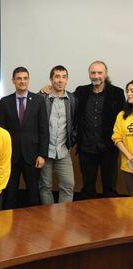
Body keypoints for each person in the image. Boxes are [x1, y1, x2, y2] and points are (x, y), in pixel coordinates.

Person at [0, 67, 48, 209]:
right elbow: (1, 132)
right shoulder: (4, 102)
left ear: (28, 80)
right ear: (13, 80)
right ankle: (8, 224)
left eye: (25, 78)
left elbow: (43, 129)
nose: (22, 81)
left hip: (32, 154)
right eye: (19, 78)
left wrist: (42, 154)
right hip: (10, 155)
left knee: (33, 191)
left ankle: (35, 222)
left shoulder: (38, 101)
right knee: (10, 191)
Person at [75, 61, 125, 199]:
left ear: (106, 74)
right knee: (87, 189)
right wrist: (46, 89)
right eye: (93, 72)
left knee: (110, 189)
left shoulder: (117, 93)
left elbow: (124, 118)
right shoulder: (81, 91)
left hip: (109, 149)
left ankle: (110, 220)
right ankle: (88, 219)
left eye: (99, 72)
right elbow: (65, 100)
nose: (96, 76)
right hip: (86, 149)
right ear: (89, 74)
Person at [38, 65, 77, 204]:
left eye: (64, 77)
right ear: (51, 79)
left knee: (68, 185)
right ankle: (48, 220)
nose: (60, 80)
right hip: (45, 151)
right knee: (45, 186)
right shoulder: (42, 97)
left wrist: (72, 141)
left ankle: (63, 219)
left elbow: (75, 123)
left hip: (63, 150)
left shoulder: (72, 99)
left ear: (67, 80)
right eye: (57, 76)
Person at [112, 80, 133, 196]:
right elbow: (117, 138)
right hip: (128, 165)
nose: (129, 94)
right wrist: (129, 156)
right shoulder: (122, 115)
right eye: (128, 91)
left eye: (132, 91)